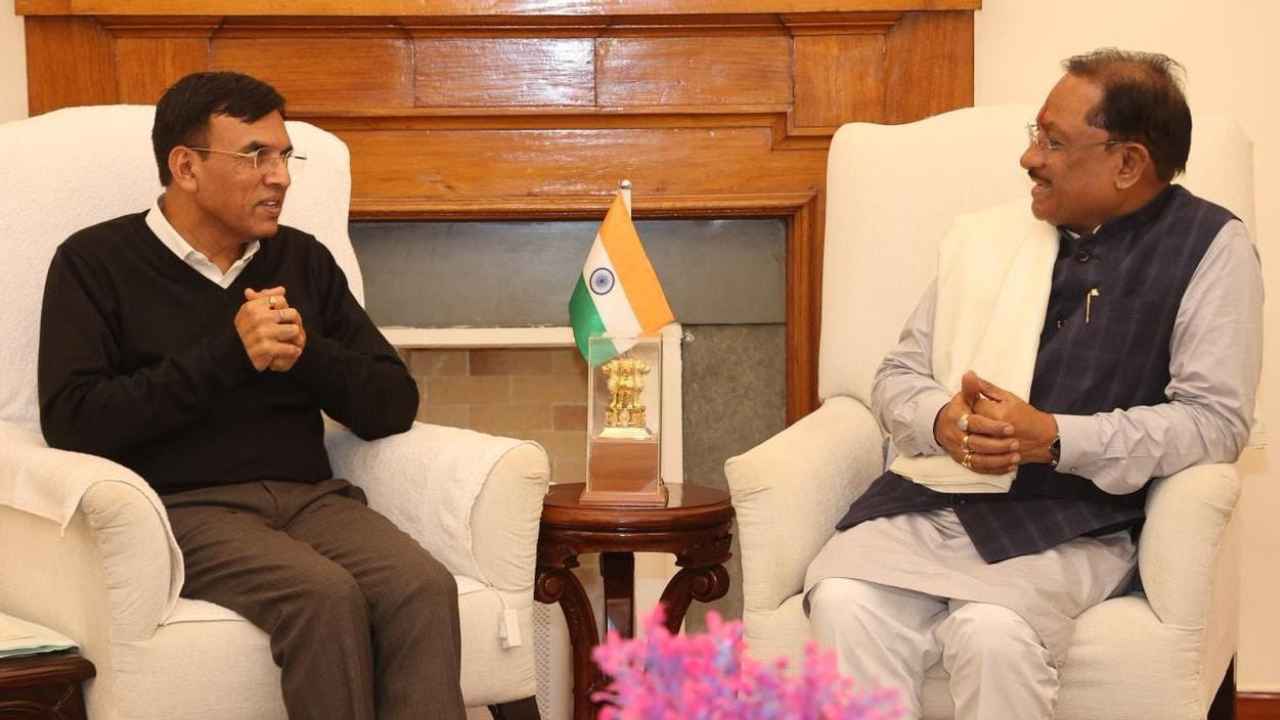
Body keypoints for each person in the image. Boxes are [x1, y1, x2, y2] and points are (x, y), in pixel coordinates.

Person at [804, 49, 1262, 719]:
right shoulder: (988, 239)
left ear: (1128, 163)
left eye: (1053, 142)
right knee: (844, 602)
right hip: (932, 500)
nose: (1029, 159)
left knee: (992, 633)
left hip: (1072, 522)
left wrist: (1053, 438)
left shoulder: (1210, 248)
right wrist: (942, 421)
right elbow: (898, 375)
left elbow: (1215, 422)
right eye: (1034, 135)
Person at [37, 71, 465, 720]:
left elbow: (392, 406)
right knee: (321, 595)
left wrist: (306, 353)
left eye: (285, 156)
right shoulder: (94, 263)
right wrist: (229, 356)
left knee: (422, 586)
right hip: (186, 509)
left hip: (312, 498)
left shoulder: (303, 260)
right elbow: (73, 421)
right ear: (186, 166)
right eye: (256, 156)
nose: (280, 177)